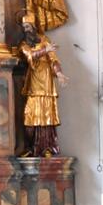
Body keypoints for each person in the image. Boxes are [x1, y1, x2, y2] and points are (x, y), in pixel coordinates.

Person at [18, 17, 67, 157]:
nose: (26, 28)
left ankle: (47, 148)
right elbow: (30, 56)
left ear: (34, 26)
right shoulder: (24, 44)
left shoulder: (45, 40)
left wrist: (59, 73)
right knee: (29, 117)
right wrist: (45, 50)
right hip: (33, 83)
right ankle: (30, 147)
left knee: (47, 116)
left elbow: (54, 60)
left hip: (46, 83)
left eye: (28, 25)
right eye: (24, 26)